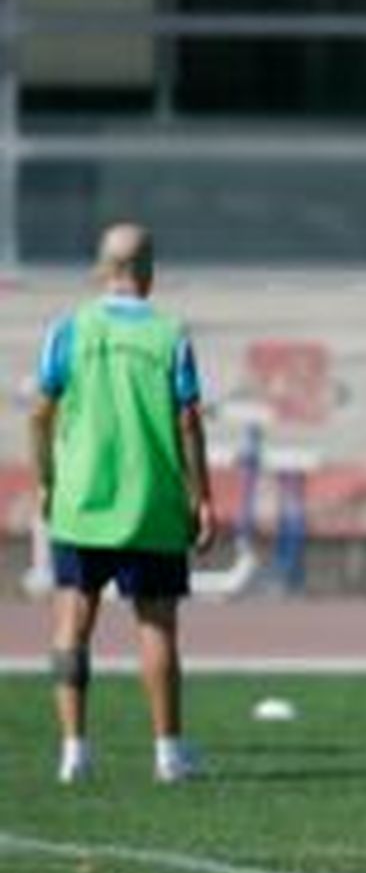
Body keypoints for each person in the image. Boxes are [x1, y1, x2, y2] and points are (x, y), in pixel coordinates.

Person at [29, 223, 216, 784]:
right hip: (152, 503)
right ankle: (168, 754)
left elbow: (39, 413)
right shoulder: (170, 334)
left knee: (72, 623)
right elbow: (188, 421)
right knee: (156, 627)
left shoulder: (69, 330)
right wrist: (202, 496)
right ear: (149, 270)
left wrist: (46, 480)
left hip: (82, 500)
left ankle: (74, 752)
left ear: (101, 270)